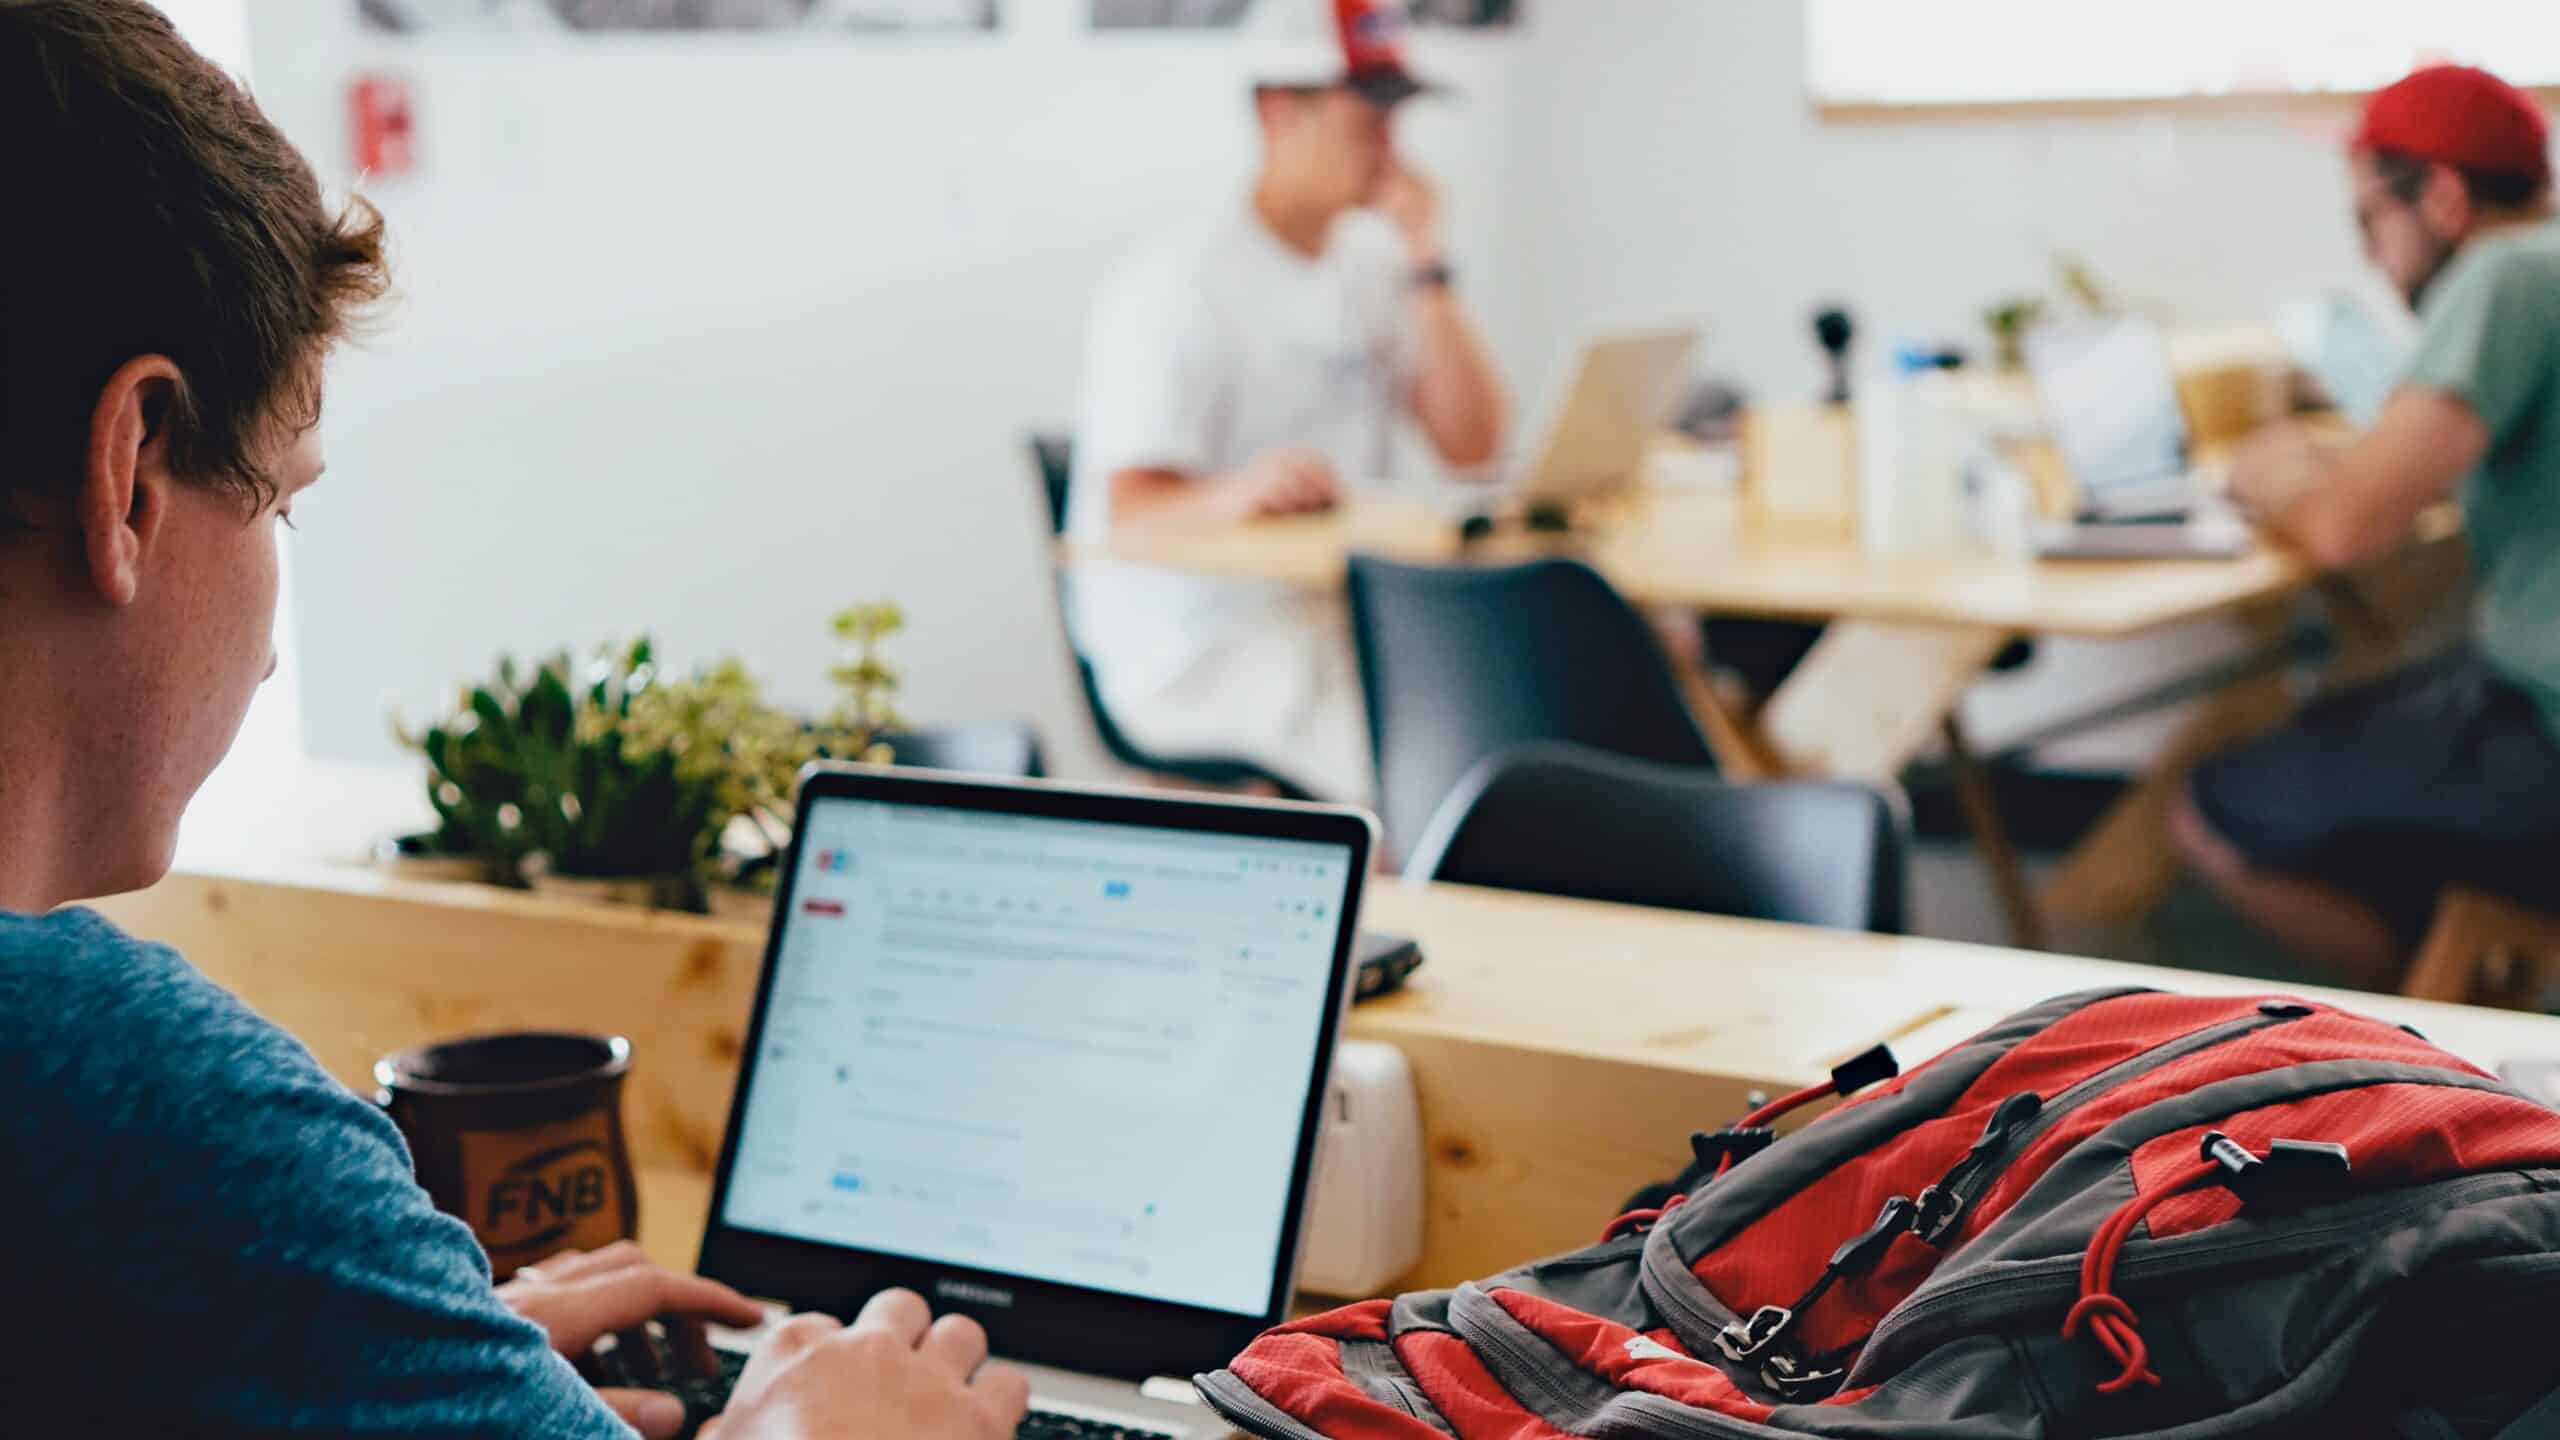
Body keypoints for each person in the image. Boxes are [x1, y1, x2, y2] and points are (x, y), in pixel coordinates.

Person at [0, 4, 1023, 1436]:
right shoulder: (134, 1098)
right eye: (281, 500)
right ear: (133, 474)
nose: (275, 654)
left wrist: (387, 1341)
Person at [2172, 63, 2560, 990]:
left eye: (2369, 222)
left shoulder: (2507, 273)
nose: (2369, 256)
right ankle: (2454, 975)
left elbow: (2346, 528)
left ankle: (2411, 1040)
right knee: (2346, 723)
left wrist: (2270, 475)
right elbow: (2407, 463)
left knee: (2213, 805)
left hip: (2543, 726)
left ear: (2445, 195)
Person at [1067, 0, 1507, 802]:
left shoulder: (1373, 269)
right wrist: (1242, 493)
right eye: (1365, 121)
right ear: (1281, 114)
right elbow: (1130, 511)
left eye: (1395, 122)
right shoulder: (1173, 286)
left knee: (1522, 693)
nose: (1388, 149)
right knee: (1426, 763)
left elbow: (1473, 443)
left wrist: (1428, 265)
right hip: (1206, 643)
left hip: (1343, 612)